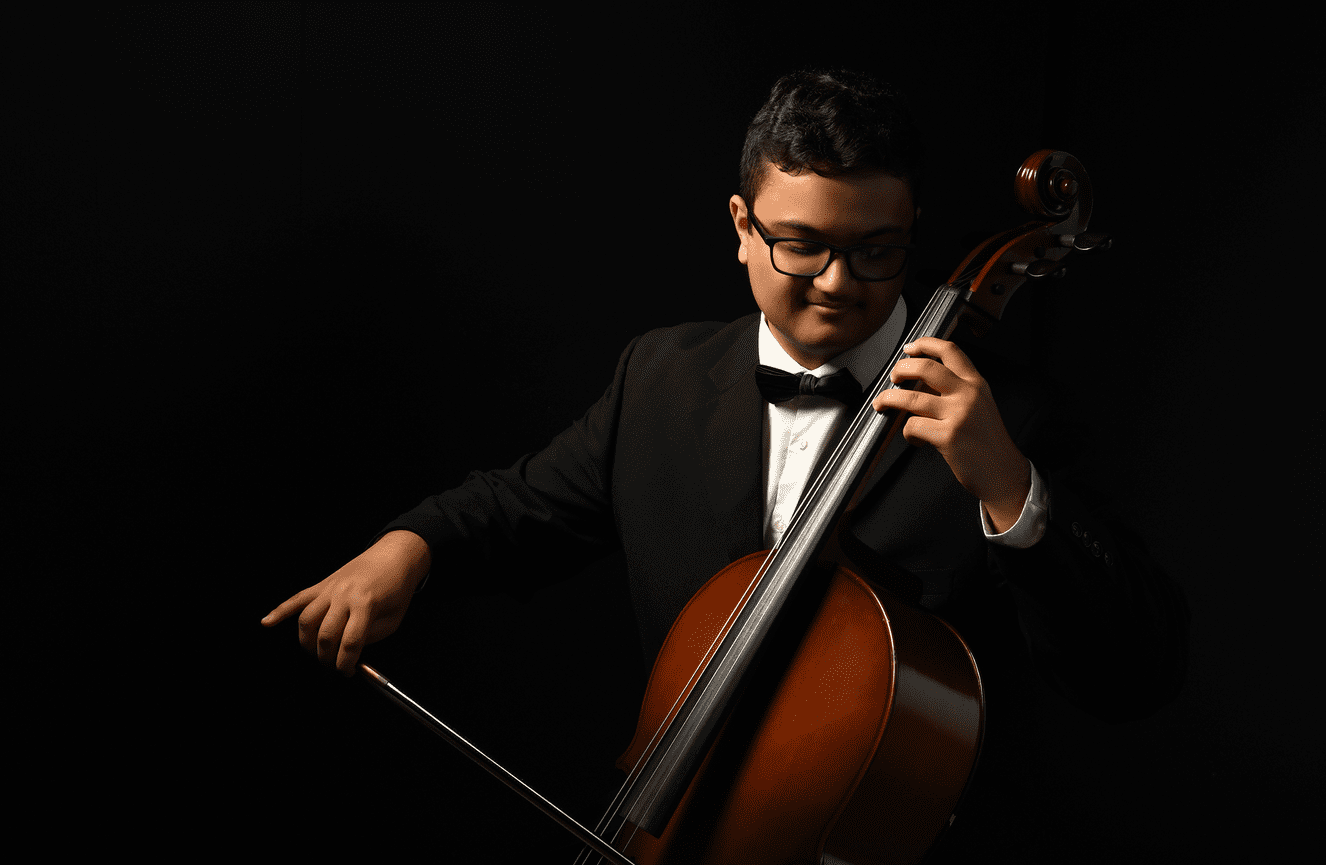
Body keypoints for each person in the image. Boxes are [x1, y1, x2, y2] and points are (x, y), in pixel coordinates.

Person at [263, 68, 1188, 854]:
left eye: (876, 252)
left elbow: (1133, 668)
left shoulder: (1005, 416)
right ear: (742, 224)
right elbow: (518, 508)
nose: (837, 282)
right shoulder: (661, 378)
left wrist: (1009, 486)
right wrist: (408, 546)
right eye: (802, 245)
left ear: (913, 227)